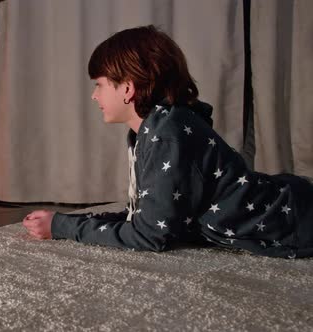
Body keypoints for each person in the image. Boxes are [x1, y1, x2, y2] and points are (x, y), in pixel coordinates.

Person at [22, 25, 313, 259]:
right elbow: (149, 215)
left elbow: (150, 236)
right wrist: (63, 221)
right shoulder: (154, 129)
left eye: (99, 84)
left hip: (296, 220)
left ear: (127, 88)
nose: (94, 96)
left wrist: (62, 227)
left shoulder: (167, 134)